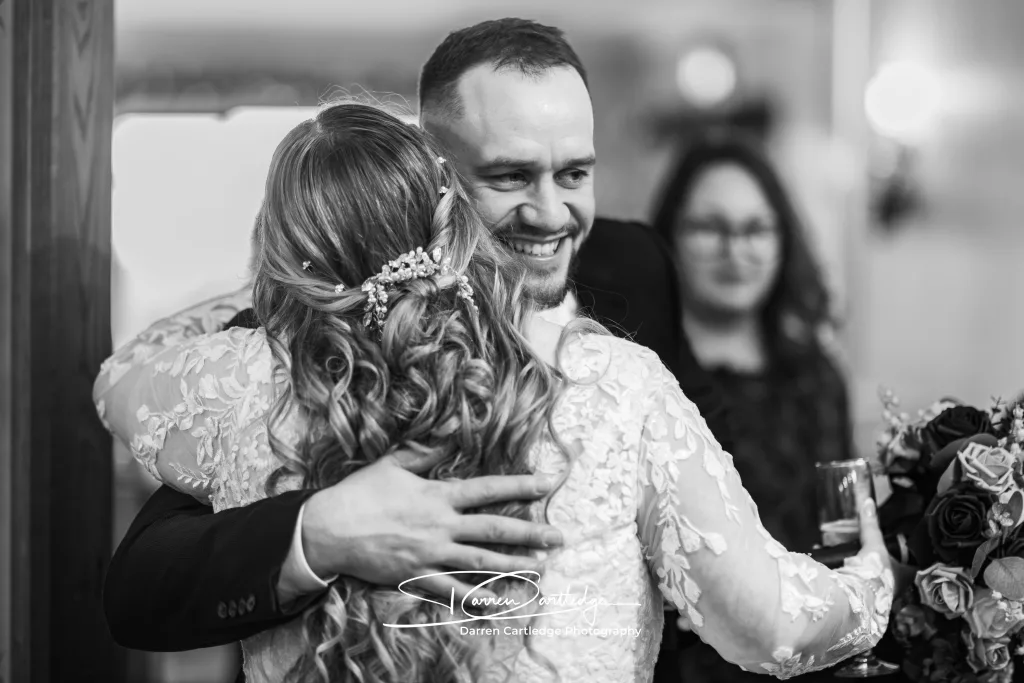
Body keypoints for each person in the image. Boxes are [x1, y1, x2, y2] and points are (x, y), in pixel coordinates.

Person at [95, 100, 893, 682]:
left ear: (279, 250)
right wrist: (871, 584)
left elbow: (119, 376)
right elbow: (772, 626)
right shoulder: (609, 378)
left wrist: (307, 289)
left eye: (571, 172)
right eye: (510, 175)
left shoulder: (234, 381)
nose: (546, 208)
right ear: (452, 207)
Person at [651, 133, 856, 681]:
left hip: (811, 658)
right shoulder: (644, 374)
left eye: (755, 228)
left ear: (781, 239)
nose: (735, 250)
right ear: (668, 236)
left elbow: (847, 537)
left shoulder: (817, 376)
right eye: (710, 228)